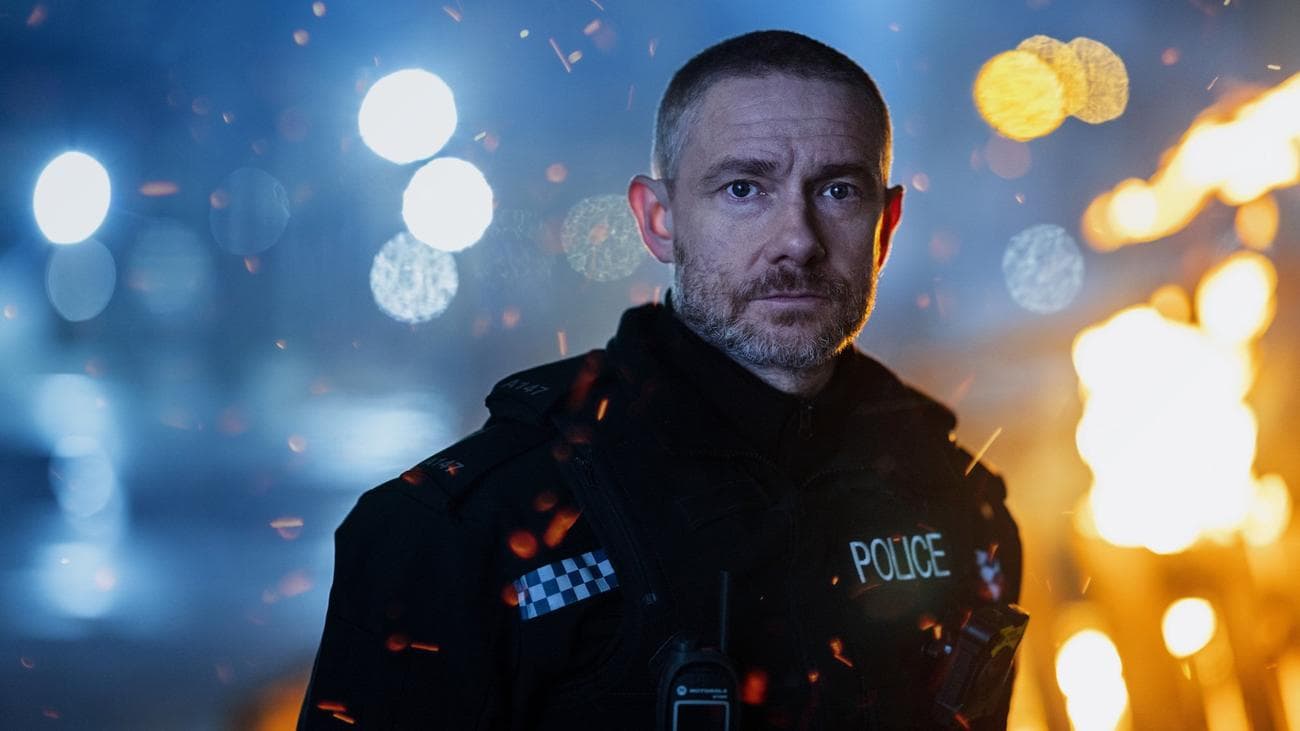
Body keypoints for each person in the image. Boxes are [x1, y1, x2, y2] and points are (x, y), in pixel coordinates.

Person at [299, 29, 1023, 730]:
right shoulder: (466, 531)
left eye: (837, 190)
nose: (798, 239)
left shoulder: (960, 507)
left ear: (886, 227)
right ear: (658, 219)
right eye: (744, 188)